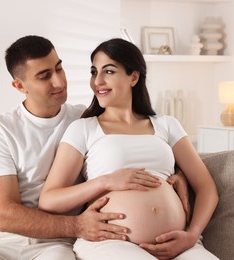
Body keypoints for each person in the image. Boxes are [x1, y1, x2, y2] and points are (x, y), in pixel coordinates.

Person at [0, 35, 190, 260]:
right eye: (44, 76)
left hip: (56, 244)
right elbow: (6, 215)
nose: (58, 82)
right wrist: (77, 225)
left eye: (59, 68)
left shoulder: (85, 120)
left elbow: (136, 144)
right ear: (19, 86)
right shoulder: (0, 129)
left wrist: (178, 177)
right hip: (1, 241)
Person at [38, 38, 219, 260]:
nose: (98, 81)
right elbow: (49, 200)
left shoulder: (167, 125)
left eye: (109, 71)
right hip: (111, 243)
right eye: (94, 72)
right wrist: (106, 181)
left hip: (180, 244)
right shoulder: (84, 129)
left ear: (133, 76)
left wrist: (192, 235)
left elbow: (206, 187)